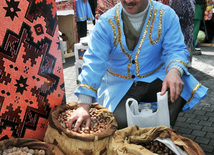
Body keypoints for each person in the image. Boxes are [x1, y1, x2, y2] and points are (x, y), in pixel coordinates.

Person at [68, 0, 208, 130]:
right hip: (119, 84)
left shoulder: (166, 15)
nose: (129, 1)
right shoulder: (105, 23)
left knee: (180, 86)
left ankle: (164, 130)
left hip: (155, 78)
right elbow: (94, 61)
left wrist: (174, 71)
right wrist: (83, 105)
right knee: (119, 121)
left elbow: (176, 49)